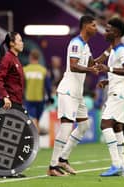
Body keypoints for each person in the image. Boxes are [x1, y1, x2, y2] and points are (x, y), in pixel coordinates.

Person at [47, 15, 111, 176]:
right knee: (67, 126)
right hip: (68, 90)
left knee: (84, 126)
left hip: (77, 93)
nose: (96, 28)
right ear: (86, 26)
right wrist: (91, 70)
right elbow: (74, 66)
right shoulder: (76, 43)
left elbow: (92, 64)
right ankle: (52, 166)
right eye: (94, 25)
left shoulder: (86, 46)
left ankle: (63, 158)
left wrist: (109, 51)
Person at [96, 17, 124, 177]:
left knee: (105, 124)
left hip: (120, 92)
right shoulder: (113, 49)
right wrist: (108, 80)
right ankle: (122, 166)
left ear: (116, 32)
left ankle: (116, 164)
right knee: (117, 127)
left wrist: (108, 69)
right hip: (118, 89)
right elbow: (118, 71)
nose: (105, 32)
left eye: (108, 29)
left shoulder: (122, 50)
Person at [0, 32, 24, 111]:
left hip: (17, 103)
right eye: (20, 41)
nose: (22, 43)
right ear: (12, 43)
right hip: (9, 104)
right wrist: (5, 97)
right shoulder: (8, 58)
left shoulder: (15, 59)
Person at [23, 49, 52, 130]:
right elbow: (48, 87)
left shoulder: (25, 70)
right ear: (38, 58)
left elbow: (21, 85)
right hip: (40, 100)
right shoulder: (43, 70)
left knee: (34, 120)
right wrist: (49, 98)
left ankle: (36, 139)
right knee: (36, 120)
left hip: (29, 99)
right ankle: (37, 138)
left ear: (30, 57)